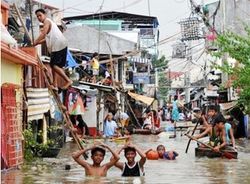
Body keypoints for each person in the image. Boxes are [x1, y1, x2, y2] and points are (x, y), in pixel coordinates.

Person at [34, 9, 72, 90]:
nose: (39, 18)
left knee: (53, 65)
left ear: (45, 15)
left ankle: (68, 80)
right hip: (61, 43)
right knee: (56, 66)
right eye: (37, 16)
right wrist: (37, 43)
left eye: (40, 15)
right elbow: (46, 39)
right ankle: (55, 84)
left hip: (58, 44)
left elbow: (43, 34)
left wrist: (35, 41)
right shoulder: (50, 24)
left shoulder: (47, 22)